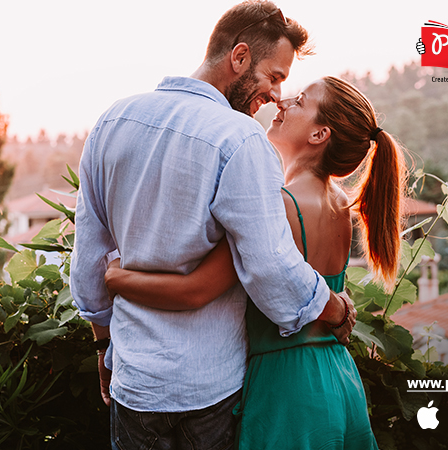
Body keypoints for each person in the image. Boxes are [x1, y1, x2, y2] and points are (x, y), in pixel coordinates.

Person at [69, 2, 355, 448]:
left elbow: (89, 255)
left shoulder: (112, 120)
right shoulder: (240, 140)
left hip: (136, 383)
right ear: (238, 58)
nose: (277, 96)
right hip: (210, 389)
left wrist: (104, 345)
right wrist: (334, 307)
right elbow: (270, 267)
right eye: (274, 77)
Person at [105, 76, 407, 448]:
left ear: (319, 134)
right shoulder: (338, 204)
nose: (282, 104)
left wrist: (116, 277)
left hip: (287, 386)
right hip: (337, 374)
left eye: (299, 101)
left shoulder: (278, 204)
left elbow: (196, 289)